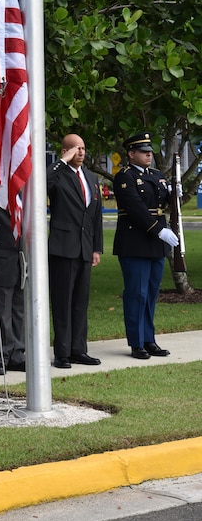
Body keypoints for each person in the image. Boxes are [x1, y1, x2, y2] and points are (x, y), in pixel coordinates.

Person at [112, 132, 179, 359]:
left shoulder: (158, 175)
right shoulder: (125, 176)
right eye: (143, 152)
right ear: (131, 154)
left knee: (151, 293)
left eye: (150, 151)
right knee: (136, 294)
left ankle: (149, 339)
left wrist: (173, 196)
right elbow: (135, 207)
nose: (149, 155)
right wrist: (159, 230)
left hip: (155, 243)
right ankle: (136, 342)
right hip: (135, 242)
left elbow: (164, 205)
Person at [47, 133, 103, 369]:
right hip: (63, 247)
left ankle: (78, 349)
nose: (80, 152)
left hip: (84, 248)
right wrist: (60, 161)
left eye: (82, 148)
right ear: (65, 151)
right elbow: (40, 183)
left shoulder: (90, 177)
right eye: (74, 149)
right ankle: (62, 352)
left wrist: (96, 248)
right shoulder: (58, 175)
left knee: (81, 301)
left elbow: (95, 216)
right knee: (62, 301)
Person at [0, 205, 25, 375]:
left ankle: (17, 353)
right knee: (0, 310)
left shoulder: (28, 197)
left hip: (23, 257)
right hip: (1, 257)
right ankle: (1, 356)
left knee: (19, 309)